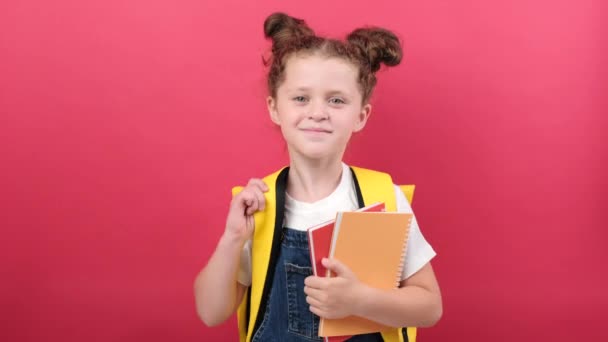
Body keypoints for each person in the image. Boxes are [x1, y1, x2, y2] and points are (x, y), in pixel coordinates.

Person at [194, 12, 442, 342]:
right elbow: (211, 312)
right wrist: (231, 239)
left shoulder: (382, 196)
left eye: (336, 100)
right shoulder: (257, 206)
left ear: (361, 115)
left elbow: (429, 307)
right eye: (301, 98)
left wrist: (360, 300)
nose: (317, 112)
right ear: (274, 108)